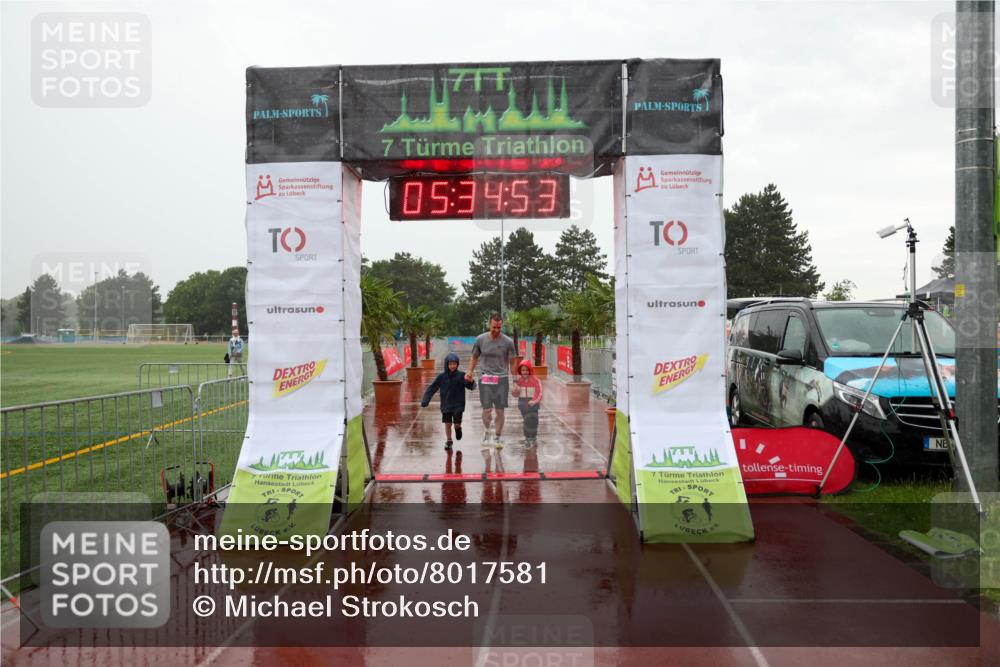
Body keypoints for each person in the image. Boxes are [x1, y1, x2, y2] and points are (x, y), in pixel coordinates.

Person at [466, 313, 516, 449]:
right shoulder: (480, 339)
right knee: (487, 410)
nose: (497, 330)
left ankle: (498, 437)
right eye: (494, 327)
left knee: (500, 411)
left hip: (502, 379)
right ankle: (487, 431)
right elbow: (474, 357)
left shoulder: (508, 342)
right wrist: (470, 371)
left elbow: (512, 362)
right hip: (486, 378)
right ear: (489, 325)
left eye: (499, 327)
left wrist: (515, 381)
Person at [420, 352, 476, 450]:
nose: (452, 366)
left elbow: (472, 387)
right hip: (446, 404)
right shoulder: (441, 377)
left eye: (454, 364)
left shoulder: (461, 375)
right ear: (447, 364)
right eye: (450, 364)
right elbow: (432, 388)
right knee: (448, 423)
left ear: (457, 364)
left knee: (456, 424)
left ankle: (458, 429)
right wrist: (426, 399)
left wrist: (471, 381)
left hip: (458, 404)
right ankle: (449, 440)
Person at [512, 358, 543, 446]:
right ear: (520, 371)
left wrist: (534, 401)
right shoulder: (519, 381)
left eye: (526, 370)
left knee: (533, 421)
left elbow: (539, 392)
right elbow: (515, 395)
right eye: (523, 370)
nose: (524, 372)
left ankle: (533, 437)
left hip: (533, 405)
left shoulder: (535, 380)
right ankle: (527, 437)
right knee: (526, 421)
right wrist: (515, 391)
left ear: (530, 370)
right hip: (522, 405)